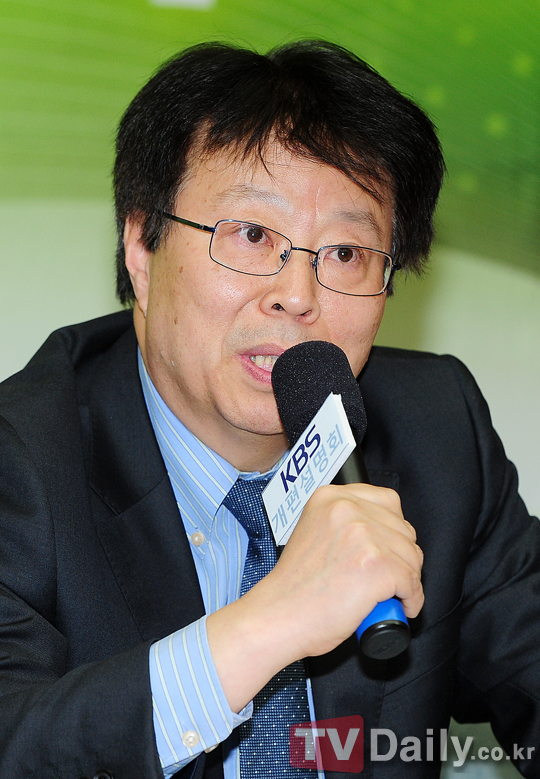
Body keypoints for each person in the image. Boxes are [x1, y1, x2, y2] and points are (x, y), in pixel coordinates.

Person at [0, 39, 538, 779]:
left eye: (346, 253)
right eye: (253, 235)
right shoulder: (21, 462)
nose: (297, 295)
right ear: (141, 249)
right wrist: (271, 622)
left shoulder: (437, 429)